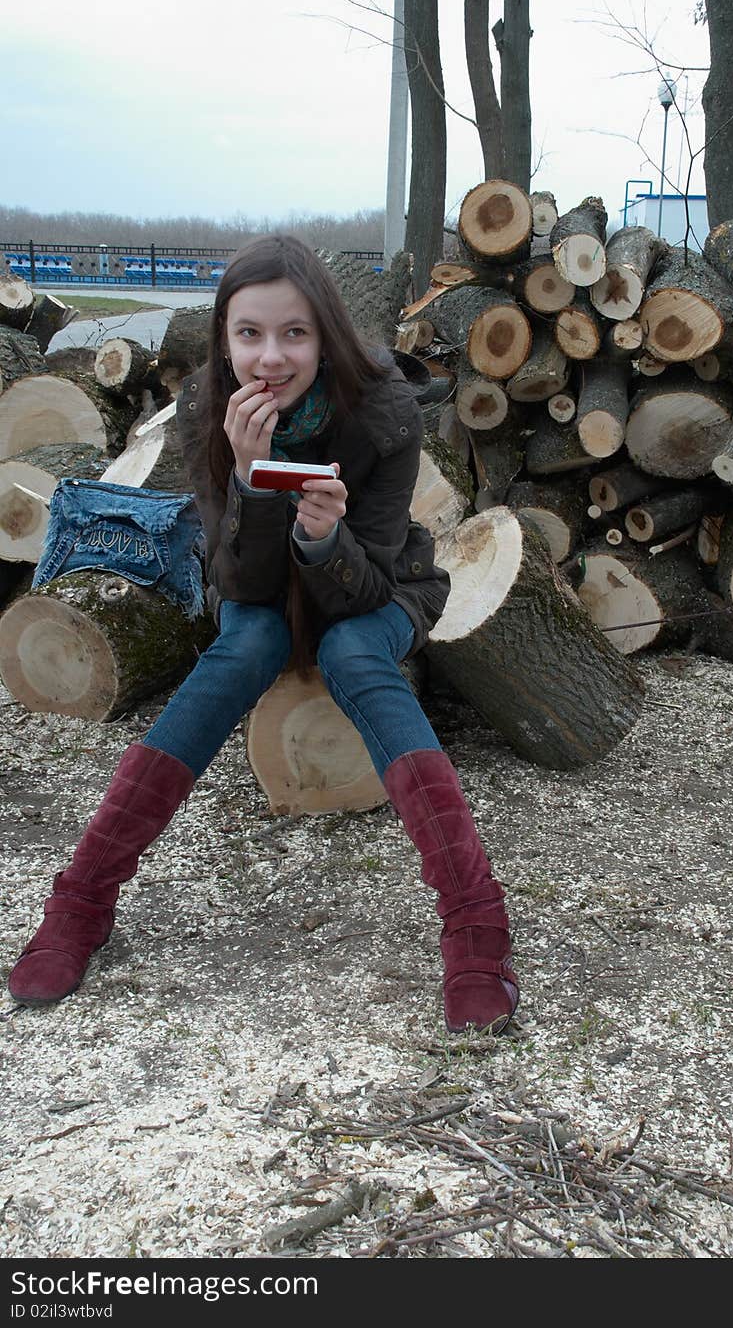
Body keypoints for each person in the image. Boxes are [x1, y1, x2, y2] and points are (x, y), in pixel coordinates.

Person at [7, 235, 519, 1034]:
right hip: (261, 591)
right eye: (249, 334)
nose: (270, 358)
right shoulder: (209, 412)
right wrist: (252, 480)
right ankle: (81, 899)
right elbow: (238, 583)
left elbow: (374, 586)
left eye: (294, 333)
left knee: (353, 649)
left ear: (325, 335)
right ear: (223, 339)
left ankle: (477, 924)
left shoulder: (384, 413)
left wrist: (321, 541)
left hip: (374, 587)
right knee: (243, 644)